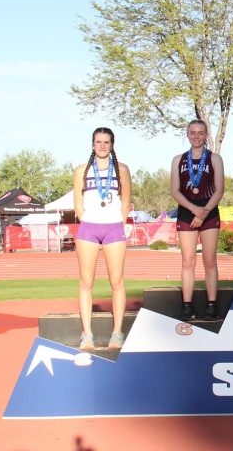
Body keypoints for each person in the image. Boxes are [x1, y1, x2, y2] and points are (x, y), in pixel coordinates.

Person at [72, 127, 132, 350]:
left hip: (114, 229)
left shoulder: (122, 169)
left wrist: (118, 222)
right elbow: (77, 204)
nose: (102, 145)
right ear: (92, 144)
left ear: (112, 145)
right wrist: (88, 220)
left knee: (116, 281)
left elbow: (126, 201)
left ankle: (117, 333)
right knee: (86, 282)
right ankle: (87, 334)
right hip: (88, 229)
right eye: (98, 142)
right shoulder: (81, 171)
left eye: (106, 142)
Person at [169, 119, 225, 321]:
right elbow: (174, 191)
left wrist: (204, 212)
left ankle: (212, 305)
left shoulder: (215, 159)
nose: (196, 136)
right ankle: (187, 305)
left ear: (206, 135)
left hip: (209, 211)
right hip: (186, 211)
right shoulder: (178, 160)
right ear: (187, 135)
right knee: (187, 261)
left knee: (209, 260)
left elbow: (220, 189)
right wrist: (194, 210)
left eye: (200, 133)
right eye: (192, 132)